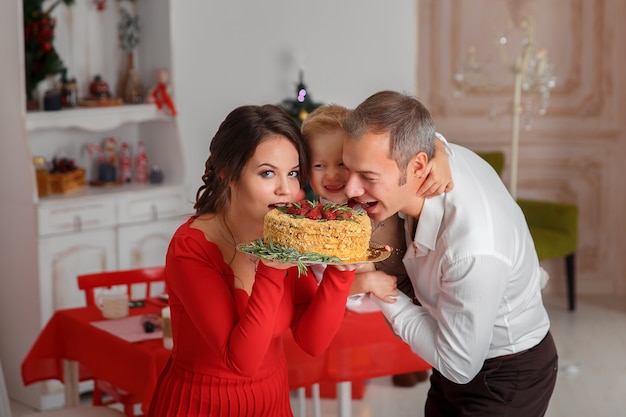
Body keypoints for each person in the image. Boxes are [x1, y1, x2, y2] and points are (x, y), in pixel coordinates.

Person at [341, 90, 558, 417]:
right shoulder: (435, 154)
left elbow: (458, 366)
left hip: (507, 376)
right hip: (453, 357)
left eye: (368, 178)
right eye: (349, 170)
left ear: (417, 166)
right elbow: (427, 135)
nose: (351, 190)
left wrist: (380, 290)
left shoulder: (472, 248)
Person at [148, 104, 357, 417]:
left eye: (293, 173)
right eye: (267, 173)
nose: (286, 190)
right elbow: (241, 362)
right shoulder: (190, 247)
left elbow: (312, 341)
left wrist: (341, 272)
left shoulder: (284, 235)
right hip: (199, 406)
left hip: (272, 403)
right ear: (228, 173)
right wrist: (271, 272)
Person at [300, 104, 452, 386]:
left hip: (426, 267)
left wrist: (439, 152)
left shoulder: (379, 184)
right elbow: (327, 288)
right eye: (320, 165)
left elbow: (412, 143)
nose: (332, 175)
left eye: (342, 163)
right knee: (420, 337)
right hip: (387, 294)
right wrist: (367, 281)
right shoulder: (320, 225)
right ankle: (414, 367)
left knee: (457, 315)